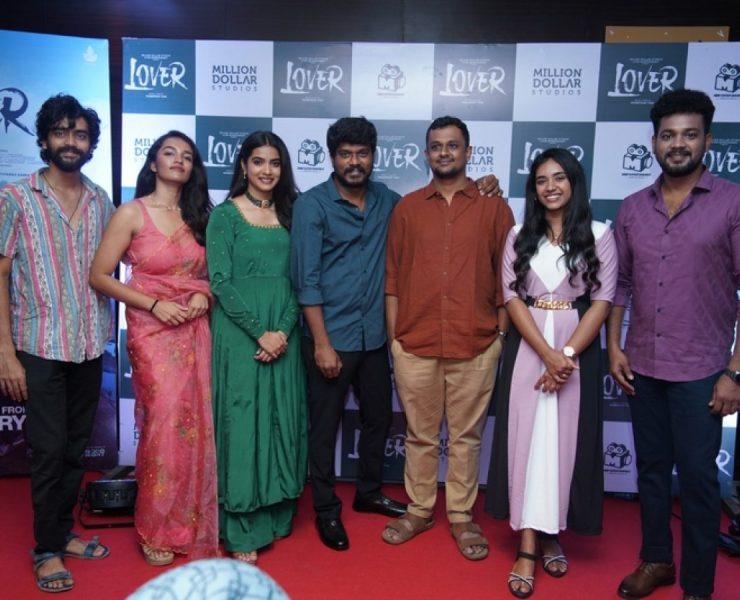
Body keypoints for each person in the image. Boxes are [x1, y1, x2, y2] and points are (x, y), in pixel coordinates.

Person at [291, 116, 502, 552]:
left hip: (384, 340)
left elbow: (502, 268)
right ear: (332, 158)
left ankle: (380, 496)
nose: (354, 162)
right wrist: (330, 343)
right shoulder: (322, 205)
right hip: (339, 337)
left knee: (383, 421)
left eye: (362, 154)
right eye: (345, 154)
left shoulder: (392, 201)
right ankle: (331, 509)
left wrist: (487, 184)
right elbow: (309, 281)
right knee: (327, 427)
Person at [608, 89, 740, 600]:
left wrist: (734, 372)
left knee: (701, 481)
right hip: (643, 363)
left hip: (703, 370)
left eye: (689, 134)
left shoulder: (731, 202)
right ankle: (657, 560)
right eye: (668, 135)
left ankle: (698, 586)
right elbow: (620, 285)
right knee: (651, 471)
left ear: (707, 140)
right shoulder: (632, 208)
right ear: (654, 142)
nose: (678, 144)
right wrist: (615, 346)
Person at [381, 116, 514, 561]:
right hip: (414, 342)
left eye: (453, 145)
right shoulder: (407, 208)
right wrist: (395, 339)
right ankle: (419, 510)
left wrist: (499, 334)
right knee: (419, 435)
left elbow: (508, 277)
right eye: (436, 146)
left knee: (466, 438)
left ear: (468, 152)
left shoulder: (495, 208)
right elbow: (393, 276)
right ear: (426, 154)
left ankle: (460, 515)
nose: (444, 152)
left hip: (476, 342)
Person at [487, 147, 617, 597]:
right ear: (533, 189)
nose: (550, 187)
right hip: (528, 350)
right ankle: (527, 543)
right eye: (541, 180)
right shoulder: (518, 235)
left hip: (577, 351)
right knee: (527, 443)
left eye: (559, 177)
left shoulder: (600, 234)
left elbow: (602, 301)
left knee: (561, 446)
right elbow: (511, 298)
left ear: (574, 182)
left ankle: (551, 531)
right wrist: (547, 354)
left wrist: (567, 355)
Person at [0, 94, 114, 593]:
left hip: (88, 344)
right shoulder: (15, 197)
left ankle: (62, 532)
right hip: (38, 346)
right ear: (45, 139)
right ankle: (46, 549)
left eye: (81, 134)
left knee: (74, 449)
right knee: (48, 452)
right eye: (62, 132)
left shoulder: (101, 200)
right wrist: (5, 353)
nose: (72, 142)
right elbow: (1, 275)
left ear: (90, 144)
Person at [89, 131, 218, 565]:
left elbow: (212, 275)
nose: (178, 160)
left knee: (195, 426)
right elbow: (100, 276)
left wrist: (202, 294)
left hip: (195, 329)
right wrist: (155, 305)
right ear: (153, 163)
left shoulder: (200, 216)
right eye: (169, 152)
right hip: (152, 331)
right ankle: (157, 527)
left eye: (187, 156)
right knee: (163, 423)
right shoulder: (131, 213)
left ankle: (193, 520)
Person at [206, 131, 307, 566]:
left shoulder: (294, 213)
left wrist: (281, 331)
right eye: (259, 161)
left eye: (275, 162)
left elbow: (302, 279)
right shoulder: (224, 216)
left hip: (285, 330)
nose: (267, 170)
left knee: (281, 419)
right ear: (244, 166)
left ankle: (276, 511)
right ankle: (241, 524)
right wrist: (259, 332)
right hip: (238, 332)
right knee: (243, 423)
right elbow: (220, 282)